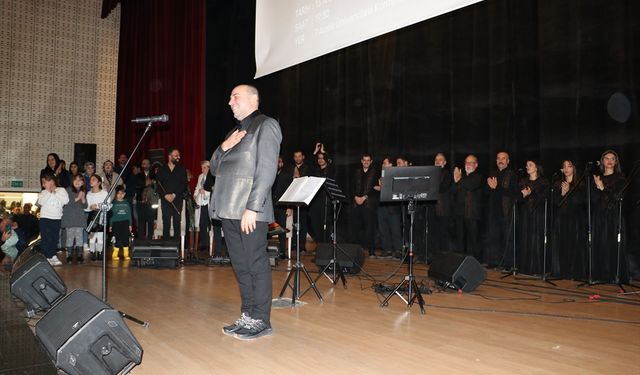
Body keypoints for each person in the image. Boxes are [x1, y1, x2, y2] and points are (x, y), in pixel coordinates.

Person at [209, 84, 281, 340]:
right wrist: (223, 146)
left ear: (253, 99)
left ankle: (261, 319)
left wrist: (253, 206)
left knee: (255, 264)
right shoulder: (233, 132)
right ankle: (248, 315)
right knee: (241, 266)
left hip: (249, 210)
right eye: (229, 97)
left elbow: (266, 170)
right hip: (228, 209)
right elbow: (215, 169)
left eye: (235, 97)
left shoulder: (266, 125)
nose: (230, 102)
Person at [591, 150, 628, 283]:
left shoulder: (620, 178)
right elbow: (593, 200)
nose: (609, 161)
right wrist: (597, 187)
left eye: (612, 158)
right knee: (600, 243)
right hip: (599, 216)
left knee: (612, 244)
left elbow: (618, 197)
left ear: (616, 162)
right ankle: (600, 275)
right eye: (606, 158)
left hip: (613, 216)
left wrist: (603, 188)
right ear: (602, 161)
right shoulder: (597, 177)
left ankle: (614, 276)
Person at [551, 160, 587, 279]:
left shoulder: (580, 183)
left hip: (575, 219)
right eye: (564, 166)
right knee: (561, 245)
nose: (566, 169)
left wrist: (569, 192)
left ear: (574, 168)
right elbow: (555, 202)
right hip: (561, 218)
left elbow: (581, 201)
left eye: (569, 166)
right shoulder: (558, 183)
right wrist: (562, 193)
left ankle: (574, 272)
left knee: (574, 245)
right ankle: (561, 271)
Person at [484, 151, 519, 268]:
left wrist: (496, 187)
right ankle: (494, 262)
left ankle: (508, 264)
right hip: (493, 211)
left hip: (506, 211)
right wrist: (490, 188)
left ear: (508, 161)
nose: (500, 160)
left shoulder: (512, 175)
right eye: (498, 158)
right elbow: (486, 192)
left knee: (506, 238)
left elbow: (513, 193)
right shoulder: (492, 174)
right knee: (493, 237)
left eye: (503, 158)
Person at [516, 160, 550, 275]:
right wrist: (522, 196)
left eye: (530, 165)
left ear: (537, 168)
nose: (527, 167)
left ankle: (538, 268)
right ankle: (525, 268)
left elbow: (545, 198)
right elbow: (517, 199)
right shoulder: (523, 181)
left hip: (539, 214)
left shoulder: (543, 182)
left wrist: (532, 193)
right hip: (525, 215)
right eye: (526, 165)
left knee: (537, 240)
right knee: (525, 239)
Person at [453, 155, 484, 259]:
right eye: (467, 162)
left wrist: (459, 179)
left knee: (474, 240)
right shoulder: (461, 178)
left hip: (472, 214)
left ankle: (476, 262)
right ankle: (460, 261)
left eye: (471, 162)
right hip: (460, 214)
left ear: (476, 165)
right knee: (460, 240)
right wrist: (456, 181)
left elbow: (470, 186)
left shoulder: (478, 177)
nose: (468, 165)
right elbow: (454, 192)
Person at [37, 174, 69, 266]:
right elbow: (41, 202)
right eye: (44, 183)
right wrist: (49, 192)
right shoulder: (43, 192)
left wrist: (54, 192)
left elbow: (65, 201)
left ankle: (52, 255)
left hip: (56, 218)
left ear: (53, 181)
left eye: (47, 181)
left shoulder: (61, 190)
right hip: (45, 218)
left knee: (54, 238)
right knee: (46, 238)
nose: (45, 184)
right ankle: (47, 256)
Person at [156, 148, 188, 240]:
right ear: (169, 156)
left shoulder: (182, 169)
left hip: (177, 199)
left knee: (177, 222)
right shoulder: (162, 169)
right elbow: (158, 185)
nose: (178, 157)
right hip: (165, 200)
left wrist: (174, 195)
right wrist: (165, 195)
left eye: (179, 155)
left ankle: (176, 247)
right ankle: (166, 246)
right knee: (166, 222)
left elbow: (184, 184)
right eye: (176, 155)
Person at [352, 153, 379, 257]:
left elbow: (376, 189)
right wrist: (355, 197)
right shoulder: (356, 172)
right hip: (356, 202)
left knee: (370, 228)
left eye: (368, 160)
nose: (366, 162)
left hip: (368, 204)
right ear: (361, 161)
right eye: (364, 160)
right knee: (356, 227)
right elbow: (352, 186)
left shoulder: (375, 173)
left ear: (371, 161)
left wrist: (364, 197)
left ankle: (371, 251)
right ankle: (356, 250)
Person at [428, 152, 453, 258]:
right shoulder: (430, 174)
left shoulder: (447, 174)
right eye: (436, 160)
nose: (437, 161)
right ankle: (434, 255)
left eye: (440, 159)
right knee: (433, 234)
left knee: (444, 234)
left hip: (444, 209)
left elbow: (443, 188)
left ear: (445, 162)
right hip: (432, 209)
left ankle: (444, 257)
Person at [375, 157, 402, 259]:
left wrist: (383, 187)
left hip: (393, 207)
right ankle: (387, 249)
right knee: (383, 229)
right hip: (382, 206)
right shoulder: (381, 175)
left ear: (391, 165)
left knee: (395, 229)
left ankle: (398, 250)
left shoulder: (396, 175)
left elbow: (396, 189)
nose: (383, 164)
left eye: (385, 163)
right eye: (383, 163)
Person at [62, 174, 87, 263]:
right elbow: (67, 203)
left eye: (80, 180)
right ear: (72, 181)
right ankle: (69, 255)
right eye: (75, 179)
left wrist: (83, 198)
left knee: (80, 237)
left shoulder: (82, 191)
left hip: (79, 218)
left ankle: (80, 255)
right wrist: (78, 197)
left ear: (83, 182)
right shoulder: (67, 190)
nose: (77, 182)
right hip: (70, 218)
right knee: (70, 237)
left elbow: (85, 205)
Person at [85, 174, 109, 260]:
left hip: (101, 216)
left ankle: (100, 252)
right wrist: (90, 207)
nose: (91, 181)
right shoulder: (88, 194)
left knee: (100, 237)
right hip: (92, 217)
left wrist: (99, 206)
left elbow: (108, 205)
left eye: (94, 179)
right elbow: (86, 207)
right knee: (92, 236)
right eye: (90, 179)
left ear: (99, 183)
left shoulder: (104, 193)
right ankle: (92, 252)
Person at [272, 156, 292, 259]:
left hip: (282, 206)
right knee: (268, 229)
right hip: (270, 206)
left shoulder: (287, 175)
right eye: (276, 162)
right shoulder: (270, 174)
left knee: (282, 230)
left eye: (279, 162)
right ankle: (267, 250)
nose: (277, 164)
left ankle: (282, 252)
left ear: (282, 164)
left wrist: (289, 207)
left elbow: (289, 192)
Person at [110, 186, 132, 260]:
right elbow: (111, 216)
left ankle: (126, 254)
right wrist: (110, 225)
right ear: (116, 194)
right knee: (118, 239)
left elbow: (129, 215)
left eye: (121, 193)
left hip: (125, 223)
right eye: (118, 193)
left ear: (124, 194)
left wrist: (130, 225)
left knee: (125, 239)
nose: (120, 195)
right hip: (116, 223)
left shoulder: (127, 203)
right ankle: (115, 254)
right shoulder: (113, 204)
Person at [194, 160, 212, 252]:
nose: (202, 169)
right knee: (202, 224)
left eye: (204, 167)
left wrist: (205, 192)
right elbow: (197, 187)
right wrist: (195, 196)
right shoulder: (200, 176)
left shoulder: (213, 177)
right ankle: (203, 243)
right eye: (202, 167)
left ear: (209, 167)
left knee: (210, 224)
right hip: (201, 203)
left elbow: (214, 190)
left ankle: (211, 244)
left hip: (209, 203)